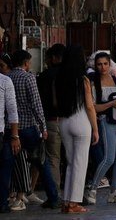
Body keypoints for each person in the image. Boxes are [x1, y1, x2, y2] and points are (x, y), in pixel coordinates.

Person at [8, 49, 60, 210]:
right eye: (29, 62)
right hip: (29, 127)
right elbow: (36, 104)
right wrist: (43, 126)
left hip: (11, 129)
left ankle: (12, 197)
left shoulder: (7, 78)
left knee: (12, 164)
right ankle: (53, 197)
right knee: (41, 163)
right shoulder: (28, 78)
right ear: (25, 63)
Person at [85, 51, 116, 204]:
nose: (103, 67)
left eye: (105, 64)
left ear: (110, 64)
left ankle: (115, 191)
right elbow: (93, 107)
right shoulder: (93, 82)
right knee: (109, 157)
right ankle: (92, 189)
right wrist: (112, 104)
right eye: (99, 64)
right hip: (107, 120)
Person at [56, 45, 99, 213]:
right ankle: (74, 202)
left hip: (64, 121)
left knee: (70, 162)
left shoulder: (59, 78)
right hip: (81, 121)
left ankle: (66, 200)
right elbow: (89, 106)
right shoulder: (83, 79)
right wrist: (95, 129)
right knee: (80, 163)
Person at [37, 43, 65, 190]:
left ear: (53, 58)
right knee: (72, 158)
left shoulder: (44, 76)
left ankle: (55, 192)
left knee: (53, 158)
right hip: (71, 120)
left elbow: (38, 101)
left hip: (51, 121)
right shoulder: (71, 74)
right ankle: (73, 193)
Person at [0, 54, 19, 213]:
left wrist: (14, 135)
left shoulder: (5, 81)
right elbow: (12, 111)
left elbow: (13, 111)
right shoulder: (5, 81)